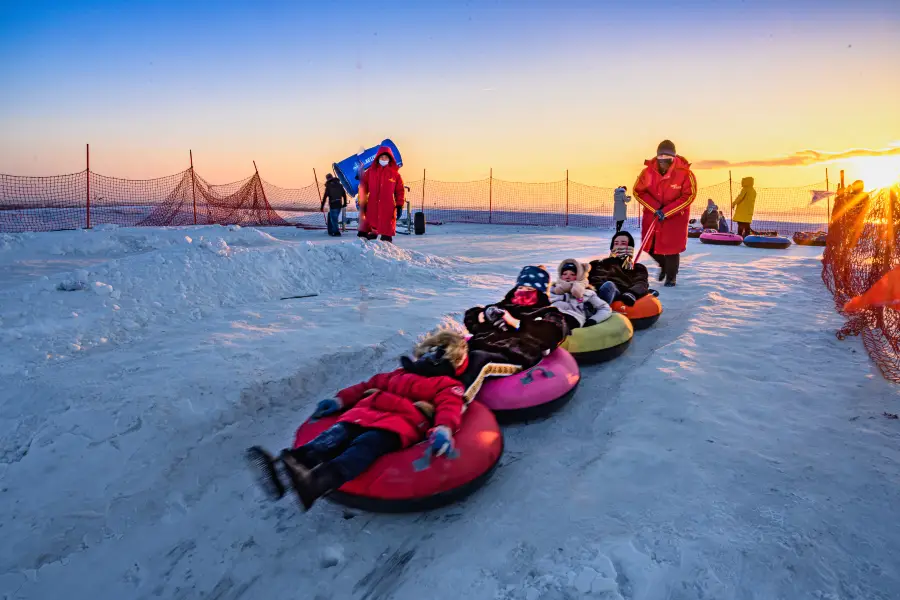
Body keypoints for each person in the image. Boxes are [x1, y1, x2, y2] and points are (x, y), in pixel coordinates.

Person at [246, 329, 468, 511]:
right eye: (429, 351)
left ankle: (317, 483)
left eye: (438, 353)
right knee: (333, 436)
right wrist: (339, 401)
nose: (430, 356)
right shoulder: (395, 375)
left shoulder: (447, 385)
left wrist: (443, 429)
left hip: (397, 425)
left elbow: (450, 407)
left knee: (364, 446)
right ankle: (287, 466)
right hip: (362, 414)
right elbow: (364, 387)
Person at [463, 266, 569, 369]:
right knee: (450, 350)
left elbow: (552, 333)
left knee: (477, 358)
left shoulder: (547, 312)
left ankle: (459, 386)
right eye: (520, 287)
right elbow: (473, 323)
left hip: (514, 354)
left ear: (540, 292)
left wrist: (514, 322)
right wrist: (482, 316)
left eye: (529, 289)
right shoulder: (506, 305)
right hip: (481, 344)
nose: (523, 291)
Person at [633, 139, 698, 287]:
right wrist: (656, 208)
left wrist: (667, 211)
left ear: (673, 158)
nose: (663, 161)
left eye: (667, 158)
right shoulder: (647, 172)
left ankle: (671, 277)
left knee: (671, 249)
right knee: (648, 246)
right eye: (660, 158)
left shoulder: (685, 173)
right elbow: (638, 191)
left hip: (675, 218)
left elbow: (689, 196)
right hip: (653, 214)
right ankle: (663, 265)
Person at [589, 230, 653, 306]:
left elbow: (641, 283)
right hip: (598, 292)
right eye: (616, 243)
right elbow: (593, 278)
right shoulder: (601, 263)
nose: (619, 246)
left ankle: (596, 309)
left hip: (621, 294)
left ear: (630, 247)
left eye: (623, 243)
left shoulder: (637, 268)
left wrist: (632, 293)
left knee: (609, 285)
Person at [358, 146, 405, 243]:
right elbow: (363, 188)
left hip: (388, 208)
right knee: (370, 237)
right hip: (372, 207)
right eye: (382, 157)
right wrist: (362, 203)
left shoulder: (395, 174)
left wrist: (399, 205)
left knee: (386, 237)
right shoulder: (370, 172)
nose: (384, 159)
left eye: (386, 158)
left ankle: (387, 256)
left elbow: (400, 191)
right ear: (378, 158)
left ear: (390, 159)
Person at [550, 259, 612, 330]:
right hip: (552, 317)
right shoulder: (551, 290)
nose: (567, 277)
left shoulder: (588, 293)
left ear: (579, 276)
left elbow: (604, 308)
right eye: (564, 274)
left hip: (575, 319)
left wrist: (593, 320)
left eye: (572, 274)